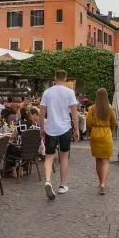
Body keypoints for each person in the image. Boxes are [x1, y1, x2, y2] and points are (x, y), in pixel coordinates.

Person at [40, 70, 79, 199]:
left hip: (51, 128)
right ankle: (62, 185)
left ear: (55, 77)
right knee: (64, 157)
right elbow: (74, 113)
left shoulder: (47, 92)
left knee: (49, 157)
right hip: (65, 128)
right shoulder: (70, 92)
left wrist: (42, 128)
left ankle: (47, 180)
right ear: (66, 78)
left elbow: (41, 112)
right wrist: (77, 129)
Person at [87, 89, 117, 195]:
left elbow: (88, 123)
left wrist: (90, 132)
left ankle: (100, 182)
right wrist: (110, 130)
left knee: (98, 160)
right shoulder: (110, 109)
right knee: (106, 161)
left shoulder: (91, 109)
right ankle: (103, 183)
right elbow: (114, 122)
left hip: (95, 133)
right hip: (106, 134)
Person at [6, 107, 41, 177]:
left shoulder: (19, 123)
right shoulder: (36, 125)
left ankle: (14, 171)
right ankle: (21, 169)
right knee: (25, 148)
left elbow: (13, 136)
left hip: (20, 151)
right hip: (33, 151)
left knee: (9, 148)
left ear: (21, 115)